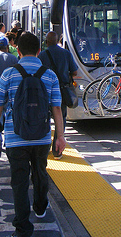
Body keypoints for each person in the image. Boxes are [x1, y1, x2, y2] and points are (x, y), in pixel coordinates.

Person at [0, 32, 66, 237]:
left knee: (19, 181)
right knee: (40, 173)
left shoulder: (9, 74)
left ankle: (23, 228)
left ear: (19, 50)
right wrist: (60, 136)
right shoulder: (49, 75)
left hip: (16, 138)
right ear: (39, 51)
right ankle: (40, 206)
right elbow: (56, 108)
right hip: (41, 136)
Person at [38, 31, 78, 159]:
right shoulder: (66, 53)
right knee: (61, 118)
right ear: (57, 40)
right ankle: (57, 151)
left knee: (45, 119)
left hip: (45, 91)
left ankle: (44, 147)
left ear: (47, 42)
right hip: (62, 91)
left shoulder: (42, 55)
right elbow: (75, 72)